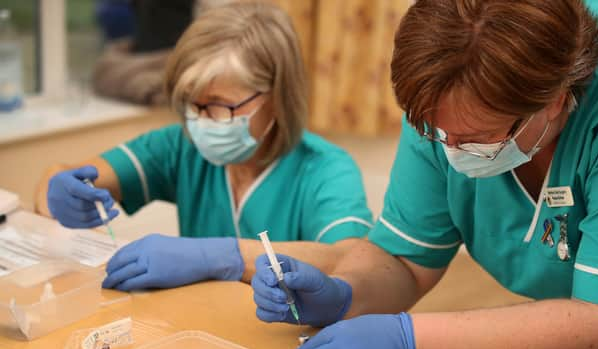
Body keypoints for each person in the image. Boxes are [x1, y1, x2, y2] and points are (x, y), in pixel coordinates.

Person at [251, 0, 598, 349]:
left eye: (476, 138)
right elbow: (405, 258)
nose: (451, 152)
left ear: (554, 102)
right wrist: (346, 291)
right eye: (436, 132)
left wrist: (408, 339)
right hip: (586, 342)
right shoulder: (446, 95)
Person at [35, 2, 372, 290]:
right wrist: (59, 192)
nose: (201, 120)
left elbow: (349, 260)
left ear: (278, 97)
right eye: (191, 104)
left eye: (219, 104)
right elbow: (64, 176)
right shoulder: (180, 147)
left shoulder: (325, 169)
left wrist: (224, 258)